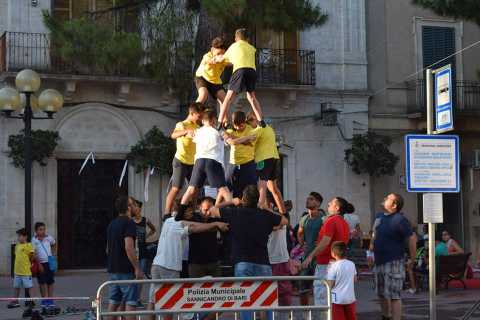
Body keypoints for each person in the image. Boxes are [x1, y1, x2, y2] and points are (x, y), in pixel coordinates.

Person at [208, 185, 288, 320]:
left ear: (244, 198)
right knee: (266, 301)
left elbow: (212, 210)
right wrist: (266, 208)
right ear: (257, 200)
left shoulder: (234, 212)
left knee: (246, 302)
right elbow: (285, 221)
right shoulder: (265, 215)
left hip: (242, 262)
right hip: (263, 263)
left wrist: (232, 201)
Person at [147, 205, 228, 320]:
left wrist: (214, 226)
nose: (191, 215)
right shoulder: (178, 223)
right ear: (182, 213)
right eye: (189, 212)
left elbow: (196, 226)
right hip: (170, 267)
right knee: (169, 302)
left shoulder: (168, 222)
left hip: (156, 265)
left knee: (152, 300)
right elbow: (196, 227)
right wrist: (216, 224)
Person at [368, 193, 417, 320]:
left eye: (388, 198)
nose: (384, 198)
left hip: (394, 261)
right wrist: (370, 253)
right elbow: (374, 236)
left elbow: (412, 238)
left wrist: (412, 258)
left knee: (394, 295)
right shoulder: (379, 218)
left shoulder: (400, 219)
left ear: (394, 205)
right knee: (381, 294)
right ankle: (386, 316)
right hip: (379, 261)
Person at [302, 197, 350, 313]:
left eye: (331, 203)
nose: (328, 204)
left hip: (326, 265)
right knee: (334, 301)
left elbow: (325, 242)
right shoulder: (344, 223)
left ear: (337, 208)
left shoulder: (331, 220)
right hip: (338, 264)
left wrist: (310, 256)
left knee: (322, 299)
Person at [178, 109, 232, 208]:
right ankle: (233, 213)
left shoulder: (198, 131)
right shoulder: (218, 131)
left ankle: (180, 214)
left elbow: (189, 135)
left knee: (190, 189)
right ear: (213, 120)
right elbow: (229, 141)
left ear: (203, 121)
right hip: (213, 161)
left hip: (199, 161)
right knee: (223, 189)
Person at [213, 28, 265, 127]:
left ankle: (220, 121)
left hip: (240, 70)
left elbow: (222, 59)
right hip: (252, 71)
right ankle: (261, 120)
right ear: (247, 39)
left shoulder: (234, 46)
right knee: (252, 97)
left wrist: (215, 59)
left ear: (236, 38)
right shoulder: (251, 48)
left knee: (228, 98)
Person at [106, 196, 144, 320]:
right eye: (132, 204)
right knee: (131, 303)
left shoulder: (112, 224)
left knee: (114, 301)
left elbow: (107, 249)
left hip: (113, 269)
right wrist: (137, 267)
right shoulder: (129, 223)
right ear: (128, 207)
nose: (134, 207)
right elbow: (129, 247)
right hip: (126, 270)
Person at [165, 102, 203, 215]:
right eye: (199, 116)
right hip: (181, 161)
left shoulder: (198, 127)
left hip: (193, 162)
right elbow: (173, 135)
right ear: (192, 113)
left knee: (196, 188)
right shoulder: (182, 124)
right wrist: (186, 132)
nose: (200, 118)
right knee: (176, 188)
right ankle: (167, 212)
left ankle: (195, 209)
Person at [246, 112, 286, 214]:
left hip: (263, 159)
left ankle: (260, 208)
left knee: (261, 183)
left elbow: (246, 141)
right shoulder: (268, 128)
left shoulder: (258, 129)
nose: (249, 123)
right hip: (274, 158)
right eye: (248, 121)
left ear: (258, 119)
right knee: (273, 187)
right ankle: (283, 212)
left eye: (251, 120)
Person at [266, 194, 292, 320]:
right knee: (265, 292)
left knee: (283, 291)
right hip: (264, 261)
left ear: (270, 204)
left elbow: (280, 224)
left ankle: (285, 317)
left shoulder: (279, 217)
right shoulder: (257, 216)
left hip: (280, 259)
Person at [297, 192, 325, 307]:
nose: (308, 200)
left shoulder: (324, 218)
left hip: (319, 258)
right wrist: (302, 244)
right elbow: (299, 233)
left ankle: (322, 314)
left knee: (320, 289)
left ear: (318, 203)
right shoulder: (304, 218)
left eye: (311, 199)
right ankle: (305, 315)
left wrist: (319, 242)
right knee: (303, 289)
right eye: (308, 198)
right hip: (306, 258)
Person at [224, 111, 259, 198]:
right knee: (225, 187)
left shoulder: (251, 130)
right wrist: (245, 139)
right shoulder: (231, 129)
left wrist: (234, 138)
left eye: (240, 125)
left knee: (250, 190)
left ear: (245, 122)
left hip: (248, 164)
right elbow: (231, 142)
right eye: (236, 125)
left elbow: (248, 142)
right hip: (233, 164)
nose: (238, 128)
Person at [131, 198, 156, 307]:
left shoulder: (145, 220)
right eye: (134, 206)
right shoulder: (130, 221)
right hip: (134, 249)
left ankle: (138, 299)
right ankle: (133, 298)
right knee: (133, 276)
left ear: (140, 209)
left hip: (143, 250)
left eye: (137, 206)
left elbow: (153, 229)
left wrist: (147, 236)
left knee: (140, 276)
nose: (136, 209)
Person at [326, 241, 357, 320]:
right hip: (350, 298)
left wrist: (327, 272)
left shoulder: (333, 266)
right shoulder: (352, 264)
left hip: (337, 299)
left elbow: (330, 285)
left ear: (333, 253)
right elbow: (355, 280)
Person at [195, 37, 228, 107]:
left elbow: (231, 63)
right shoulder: (207, 56)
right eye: (218, 53)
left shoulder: (224, 58)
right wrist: (216, 59)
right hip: (202, 77)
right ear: (212, 50)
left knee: (225, 100)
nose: (220, 55)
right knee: (203, 94)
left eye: (222, 53)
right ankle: (193, 114)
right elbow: (210, 61)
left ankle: (223, 118)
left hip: (215, 81)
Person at [8, 228, 34, 309]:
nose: (18, 238)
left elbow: (32, 256)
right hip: (17, 271)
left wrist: (30, 264)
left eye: (20, 236)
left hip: (26, 271)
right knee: (16, 287)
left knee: (29, 287)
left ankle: (31, 301)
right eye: (18, 236)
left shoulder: (29, 245)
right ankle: (15, 301)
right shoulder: (17, 246)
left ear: (25, 237)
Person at [32, 222, 56, 309]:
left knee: (50, 281)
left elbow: (54, 243)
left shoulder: (48, 238)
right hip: (41, 263)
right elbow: (34, 254)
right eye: (40, 229)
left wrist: (53, 254)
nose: (43, 231)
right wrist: (39, 264)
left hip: (49, 262)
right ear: (36, 231)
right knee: (42, 282)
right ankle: (45, 299)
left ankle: (50, 299)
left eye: (44, 229)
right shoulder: (34, 240)